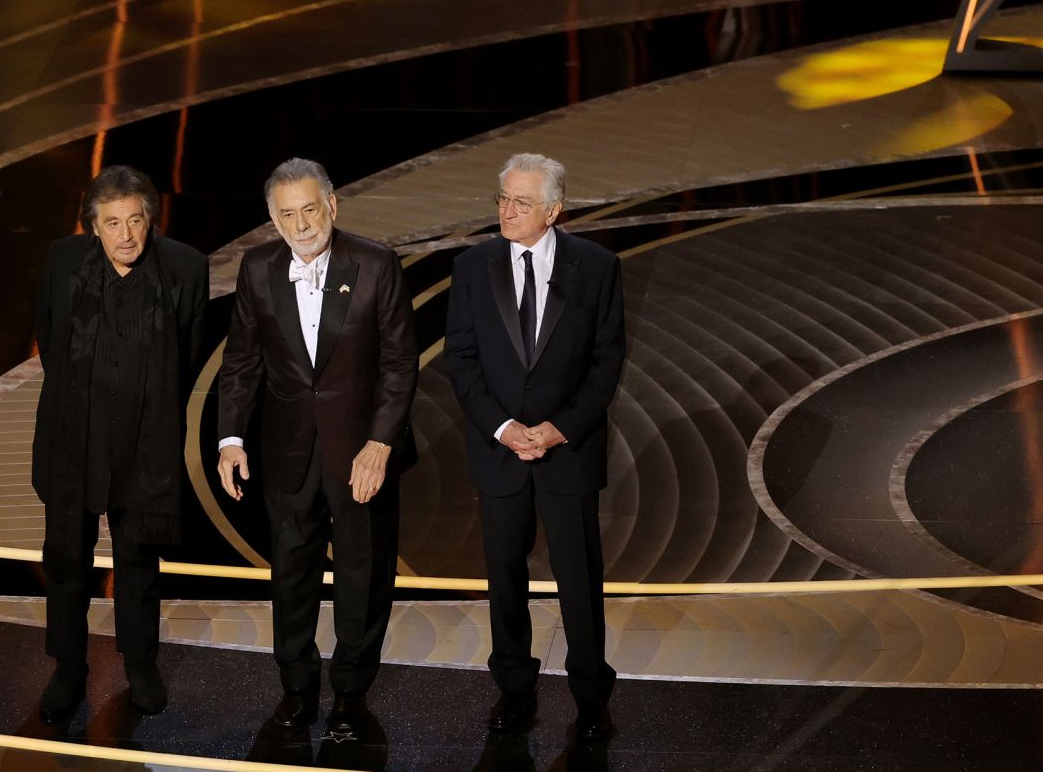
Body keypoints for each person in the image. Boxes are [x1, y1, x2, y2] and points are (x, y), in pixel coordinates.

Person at [216, 158, 418, 735]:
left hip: (361, 456)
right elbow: (241, 363)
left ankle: (351, 695)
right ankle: (298, 689)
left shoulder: (376, 264)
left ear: (332, 205)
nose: (301, 223)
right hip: (287, 455)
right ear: (271, 219)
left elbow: (400, 365)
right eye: (286, 213)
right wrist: (231, 439)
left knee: (363, 575)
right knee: (291, 577)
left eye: (310, 209)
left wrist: (380, 442)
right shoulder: (257, 269)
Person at [443, 152, 625, 741]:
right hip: (498, 450)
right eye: (502, 199)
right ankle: (514, 688)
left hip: (567, 449)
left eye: (521, 202)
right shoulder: (473, 266)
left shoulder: (596, 266)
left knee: (579, 577)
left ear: (554, 209)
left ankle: (592, 694)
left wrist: (557, 428)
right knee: (503, 574)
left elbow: (605, 362)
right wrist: (503, 428)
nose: (507, 211)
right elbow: (461, 359)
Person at [31, 165, 208, 724]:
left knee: (138, 560)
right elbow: (50, 337)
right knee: (65, 558)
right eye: (113, 223)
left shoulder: (184, 267)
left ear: (150, 221)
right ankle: (68, 666)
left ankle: (140, 663)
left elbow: (191, 353)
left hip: (144, 441)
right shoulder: (64, 260)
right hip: (73, 437)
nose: (126, 235)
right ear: (94, 227)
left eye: (135, 221)